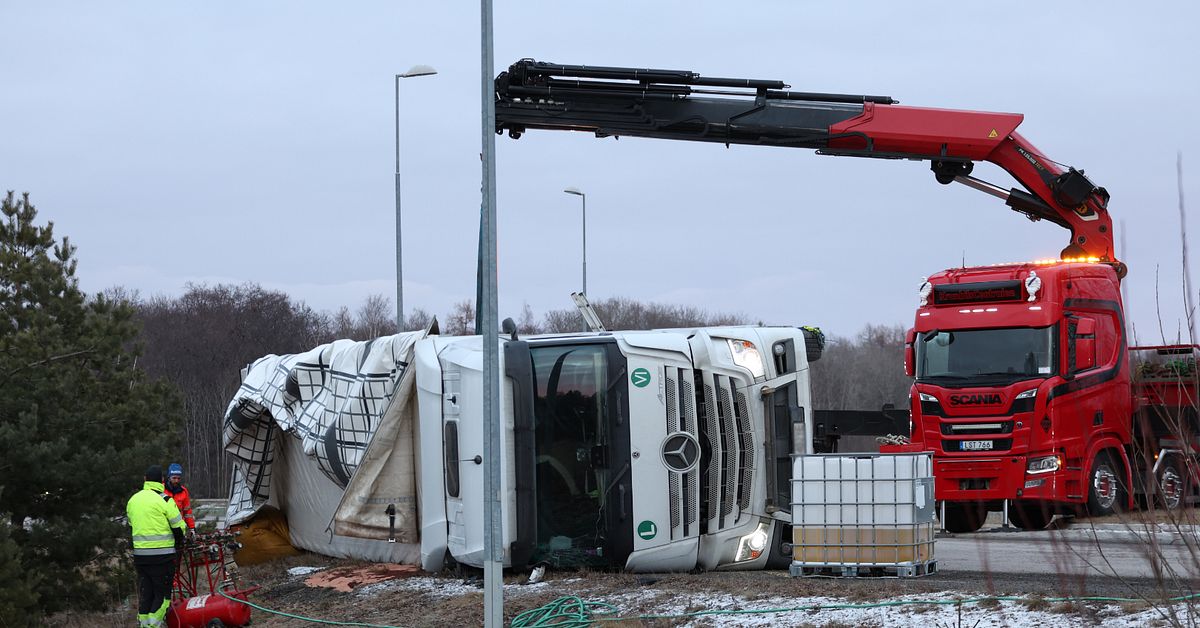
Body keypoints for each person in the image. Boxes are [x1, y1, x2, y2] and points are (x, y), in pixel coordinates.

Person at [127, 464, 186, 628]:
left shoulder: (133, 500)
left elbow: (132, 526)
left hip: (141, 559)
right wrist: (179, 543)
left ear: (145, 480)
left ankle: (144, 625)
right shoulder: (165, 500)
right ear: (161, 481)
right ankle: (153, 626)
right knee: (162, 596)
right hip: (162, 558)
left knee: (147, 595)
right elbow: (179, 528)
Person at [164, 462, 197, 537]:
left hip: (179, 528)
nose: (176, 481)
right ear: (169, 477)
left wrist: (192, 528)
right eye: (174, 478)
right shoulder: (162, 489)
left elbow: (187, 512)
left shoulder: (183, 491)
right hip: (164, 527)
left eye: (178, 478)